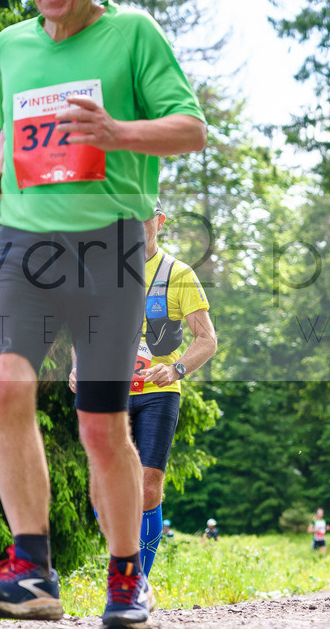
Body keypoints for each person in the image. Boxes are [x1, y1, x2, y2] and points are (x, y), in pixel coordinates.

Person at [0, 0, 206, 625]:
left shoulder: (132, 35)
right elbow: (16, 126)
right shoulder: (13, 44)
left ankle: (127, 576)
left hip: (111, 246)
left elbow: (191, 129)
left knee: (101, 424)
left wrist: (118, 131)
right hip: (26, 245)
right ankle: (33, 569)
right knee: (3, 383)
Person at [68, 199, 216, 579]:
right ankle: (123, 556)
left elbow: (207, 339)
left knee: (149, 488)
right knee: (102, 485)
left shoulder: (178, 273)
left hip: (157, 395)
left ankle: (135, 582)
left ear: (159, 221)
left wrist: (177, 368)